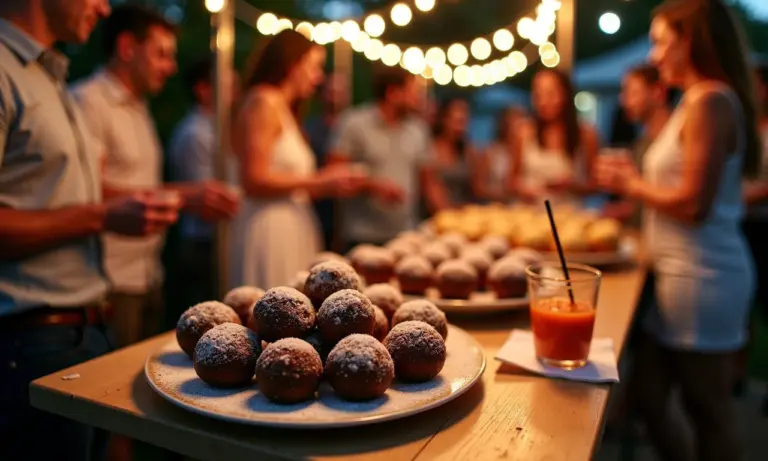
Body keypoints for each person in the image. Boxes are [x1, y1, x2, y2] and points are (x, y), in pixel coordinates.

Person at [0, 1, 181, 460]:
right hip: (30, 338)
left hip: (83, 325)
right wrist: (103, 216)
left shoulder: (48, 74)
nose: (103, 8)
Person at [595, 1, 760, 459]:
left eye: (662, 41)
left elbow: (694, 204)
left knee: (708, 410)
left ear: (692, 41)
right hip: (676, 276)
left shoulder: (710, 100)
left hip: (704, 276)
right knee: (647, 395)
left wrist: (632, 184)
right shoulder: (694, 100)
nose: (655, 54)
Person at [71, 4, 239, 348]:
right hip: (109, 279)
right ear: (127, 48)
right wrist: (183, 196)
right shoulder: (89, 102)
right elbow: (87, 192)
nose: (170, 67)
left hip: (148, 272)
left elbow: (138, 185)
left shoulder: (139, 108)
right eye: (162, 54)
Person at [229, 29, 366, 289]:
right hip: (269, 228)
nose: (318, 78)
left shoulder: (283, 107)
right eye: (314, 67)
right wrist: (321, 182)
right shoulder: (263, 101)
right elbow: (253, 179)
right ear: (292, 65)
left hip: (290, 223)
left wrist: (327, 181)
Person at [329, 64, 431, 248]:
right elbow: (333, 172)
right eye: (412, 92)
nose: (418, 99)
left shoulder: (418, 130)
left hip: (406, 235)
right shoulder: (354, 123)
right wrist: (373, 185)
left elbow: (429, 182)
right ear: (393, 93)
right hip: (362, 235)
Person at [168, 57, 240, 309]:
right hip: (202, 241)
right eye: (226, 86)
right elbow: (206, 197)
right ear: (203, 89)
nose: (234, 93)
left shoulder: (219, 129)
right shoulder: (193, 133)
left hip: (219, 237)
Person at [508, 68, 600, 205]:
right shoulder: (523, 131)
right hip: (530, 214)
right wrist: (526, 190)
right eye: (538, 95)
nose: (544, 102)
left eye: (551, 94)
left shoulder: (586, 134)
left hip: (569, 215)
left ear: (566, 94)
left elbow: (596, 183)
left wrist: (571, 185)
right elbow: (511, 180)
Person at [604, 65, 673, 225]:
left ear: (658, 93)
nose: (623, 100)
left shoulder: (673, 142)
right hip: (648, 238)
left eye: (631, 92)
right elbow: (644, 198)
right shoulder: (642, 142)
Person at [304, 73, 350, 251]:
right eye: (331, 91)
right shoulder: (310, 126)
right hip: (318, 202)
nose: (335, 96)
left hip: (345, 205)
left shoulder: (352, 124)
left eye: (340, 91)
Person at [423, 97, 482, 212]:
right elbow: (431, 188)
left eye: (464, 119)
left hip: (464, 212)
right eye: (457, 120)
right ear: (444, 119)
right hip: (438, 214)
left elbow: (477, 188)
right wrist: (450, 214)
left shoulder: (468, 149)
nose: (461, 123)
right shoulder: (431, 148)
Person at [479, 106, 527, 202]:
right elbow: (479, 187)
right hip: (495, 204)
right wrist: (503, 195)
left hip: (521, 203)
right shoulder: (490, 151)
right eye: (512, 123)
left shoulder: (526, 150)